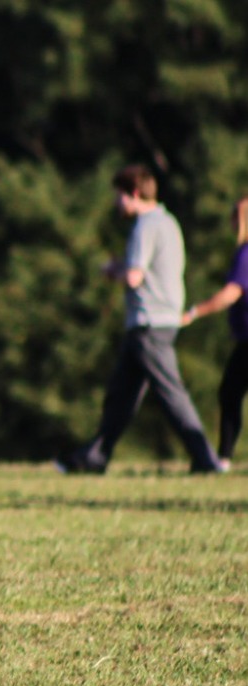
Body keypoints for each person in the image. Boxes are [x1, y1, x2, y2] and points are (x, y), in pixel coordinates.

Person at [59, 165, 224, 475]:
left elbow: (134, 276)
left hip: (150, 322)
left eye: (119, 196)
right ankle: (93, 457)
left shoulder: (145, 225)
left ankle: (204, 458)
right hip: (160, 319)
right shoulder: (168, 222)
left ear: (134, 194)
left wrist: (112, 270)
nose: (117, 204)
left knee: (170, 393)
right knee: (121, 395)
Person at [180, 196, 248, 471]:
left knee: (230, 393)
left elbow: (230, 294)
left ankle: (223, 457)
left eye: (234, 216)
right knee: (230, 393)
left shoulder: (245, 254)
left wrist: (195, 312)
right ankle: (224, 456)